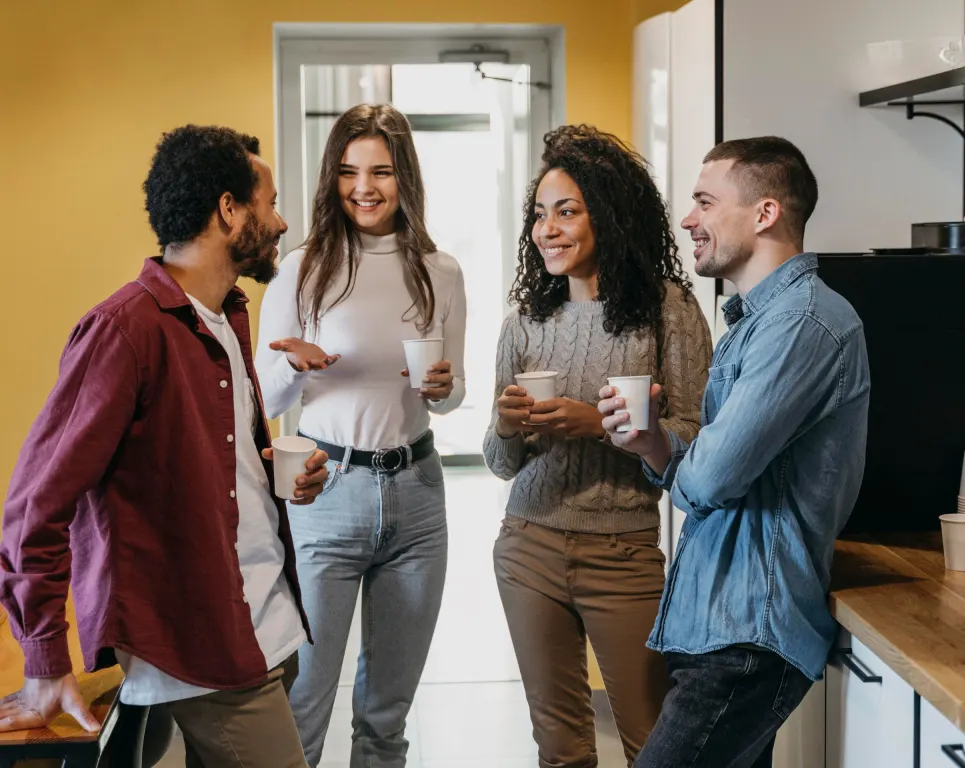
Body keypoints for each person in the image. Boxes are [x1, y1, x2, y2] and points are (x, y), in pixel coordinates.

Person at [0, 124, 333, 768]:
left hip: (266, 624)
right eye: (268, 202)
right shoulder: (123, 330)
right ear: (229, 209)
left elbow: (202, 467)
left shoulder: (227, 315)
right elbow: (32, 504)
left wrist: (274, 477)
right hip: (204, 651)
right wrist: (44, 657)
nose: (283, 220)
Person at [598, 136, 871, 768]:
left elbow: (713, 480)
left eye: (703, 201)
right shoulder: (757, 319)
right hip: (724, 624)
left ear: (765, 213)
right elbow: (723, 470)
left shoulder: (803, 323)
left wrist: (679, 459)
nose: (688, 219)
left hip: (749, 634)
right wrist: (654, 441)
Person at [483, 124, 712, 768]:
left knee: (654, 746)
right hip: (528, 546)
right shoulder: (525, 321)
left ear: (608, 215)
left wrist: (602, 426)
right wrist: (506, 427)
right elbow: (501, 465)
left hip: (624, 552)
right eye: (538, 214)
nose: (546, 230)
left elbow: (697, 442)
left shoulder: (669, 310)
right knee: (560, 748)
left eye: (567, 211)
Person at [256, 103, 466, 767]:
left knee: (386, 716)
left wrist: (442, 389)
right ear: (332, 179)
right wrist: (292, 361)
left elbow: (453, 391)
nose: (364, 187)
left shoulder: (441, 270)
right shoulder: (302, 268)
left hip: (418, 498)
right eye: (348, 171)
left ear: (405, 176)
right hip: (325, 497)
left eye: (381, 171)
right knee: (304, 706)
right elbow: (262, 395)